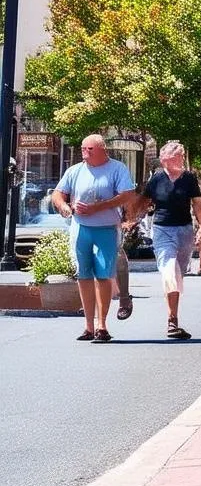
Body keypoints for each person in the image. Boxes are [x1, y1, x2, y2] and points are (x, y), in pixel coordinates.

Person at [51, 134, 136, 342]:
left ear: (101, 150)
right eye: (82, 148)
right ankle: (88, 326)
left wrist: (99, 207)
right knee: (84, 275)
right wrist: (64, 206)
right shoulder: (75, 170)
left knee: (103, 274)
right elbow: (58, 193)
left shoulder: (117, 168)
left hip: (106, 228)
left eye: (89, 149)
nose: (84, 152)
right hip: (81, 228)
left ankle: (102, 325)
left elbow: (127, 194)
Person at [139, 141, 201, 340]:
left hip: (184, 231)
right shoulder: (156, 180)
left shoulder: (189, 179)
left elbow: (199, 206)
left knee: (178, 275)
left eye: (183, 155)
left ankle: (173, 317)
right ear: (166, 160)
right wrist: (129, 220)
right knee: (170, 270)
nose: (183, 159)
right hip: (162, 230)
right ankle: (172, 320)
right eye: (179, 156)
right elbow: (143, 203)